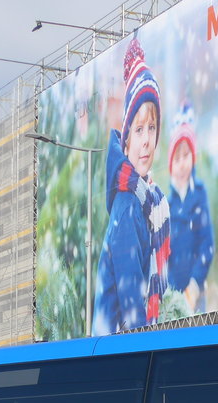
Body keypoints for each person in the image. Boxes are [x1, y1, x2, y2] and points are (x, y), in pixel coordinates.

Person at [93, 35, 171, 335]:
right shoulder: (128, 204)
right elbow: (131, 309)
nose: (146, 140)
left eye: (152, 128)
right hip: (113, 355)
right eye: (138, 129)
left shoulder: (150, 199)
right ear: (125, 139)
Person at [166, 103, 214, 315]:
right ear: (170, 165)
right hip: (173, 290)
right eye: (177, 158)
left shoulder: (199, 194)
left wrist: (194, 284)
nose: (182, 163)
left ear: (193, 158)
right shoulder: (167, 204)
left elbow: (207, 244)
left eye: (186, 156)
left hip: (195, 289)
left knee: (197, 332)